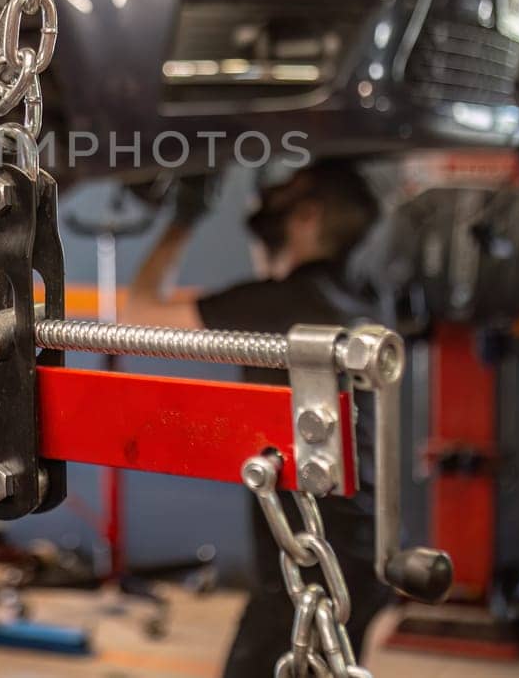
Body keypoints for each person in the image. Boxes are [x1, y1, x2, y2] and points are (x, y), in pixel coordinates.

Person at [123, 159, 393, 675]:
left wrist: (184, 219)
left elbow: (138, 314)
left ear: (308, 215)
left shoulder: (278, 305)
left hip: (312, 559)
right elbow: (275, 267)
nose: (265, 201)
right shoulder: (356, 296)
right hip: (359, 547)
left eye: (283, 193)